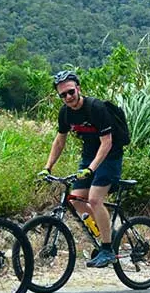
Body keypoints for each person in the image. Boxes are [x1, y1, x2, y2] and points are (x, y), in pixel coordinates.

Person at [41, 70, 127, 268]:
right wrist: (47, 167)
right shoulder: (65, 113)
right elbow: (59, 141)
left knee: (95, 199)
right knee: (76, 200)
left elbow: (107, 142)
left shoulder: (95, 108)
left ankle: (107, 249)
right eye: (63, 95)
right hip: (89, 156)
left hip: (110, 156)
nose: (68, 97)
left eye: (70, 92)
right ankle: (107, 232)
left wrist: (91, 168)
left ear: (78, 89)